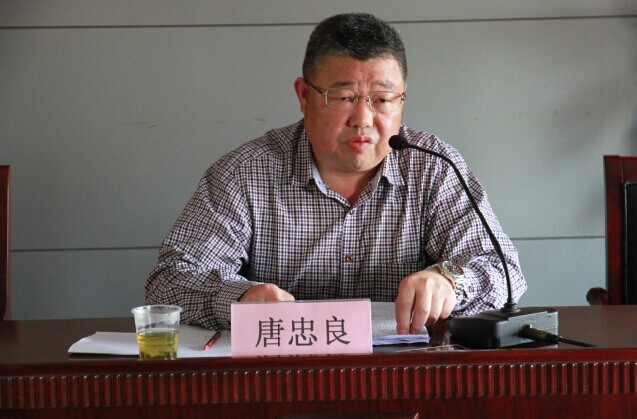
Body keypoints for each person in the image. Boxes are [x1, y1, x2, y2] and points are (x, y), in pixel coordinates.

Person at [146, 12, 527, 334]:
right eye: (343, 98)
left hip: (402, 375)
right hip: (281, 374)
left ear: (402, 98)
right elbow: (169, 283)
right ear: (304, 95)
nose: (363, 119)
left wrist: (449, 281)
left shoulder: (433, 167)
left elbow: (503, 270)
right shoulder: (245, 173)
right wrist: (240, 298)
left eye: (382, 99)